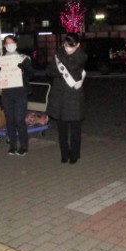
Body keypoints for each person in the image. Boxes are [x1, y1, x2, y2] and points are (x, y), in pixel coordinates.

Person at [46, 33, 88, 164]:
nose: (68, 48)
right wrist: (58, 70)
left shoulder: (82, 56)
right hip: (60, 96)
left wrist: (61, 68)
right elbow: (49, 71)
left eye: (72, 46)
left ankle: (75, 154)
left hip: (74, 96)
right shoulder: (59, 55)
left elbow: (74, 68)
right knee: (62, 129)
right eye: (66, 45)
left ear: (78, 45)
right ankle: (64, 153)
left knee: (75, 128)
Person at [0, 35, 34, 156]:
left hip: (20, 93)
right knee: (10, 120)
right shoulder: (2, 60)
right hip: (7, 93)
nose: (10, 45)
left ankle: (24, 146)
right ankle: (12, 145)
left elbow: (31, 74)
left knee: (19, 119)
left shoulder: (23, 58)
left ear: (16, 44)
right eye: (7, 43)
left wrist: (23, 67)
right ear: (4, 45)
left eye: (12, 42)